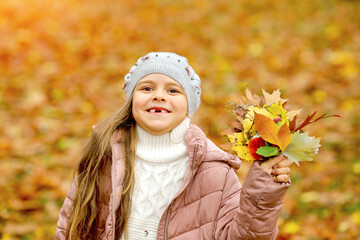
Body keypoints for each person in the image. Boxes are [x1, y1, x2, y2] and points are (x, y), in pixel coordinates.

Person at [56, 52, 291, 240]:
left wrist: (264, 191)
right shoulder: (103, 157)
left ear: (189, 105)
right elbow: (71, 227)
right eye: (146, 88)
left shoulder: (215, 172)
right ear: (131, 100)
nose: (159, 96)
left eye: (173, 90)